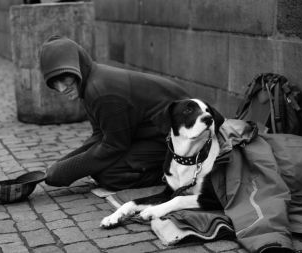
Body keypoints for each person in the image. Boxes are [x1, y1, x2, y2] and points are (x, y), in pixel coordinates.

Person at [39, 35, 189, 190]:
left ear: (78, 67)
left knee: (109, 175)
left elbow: (114, 146)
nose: (62, 88)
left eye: (65, 79)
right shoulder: (90, 83)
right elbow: (100, 135)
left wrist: (66, 172)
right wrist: (61, 165)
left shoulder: (101, 92)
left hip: (182, 137)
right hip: (157, 134)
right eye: (54, 83)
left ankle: (170, 174)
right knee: (98, 167)